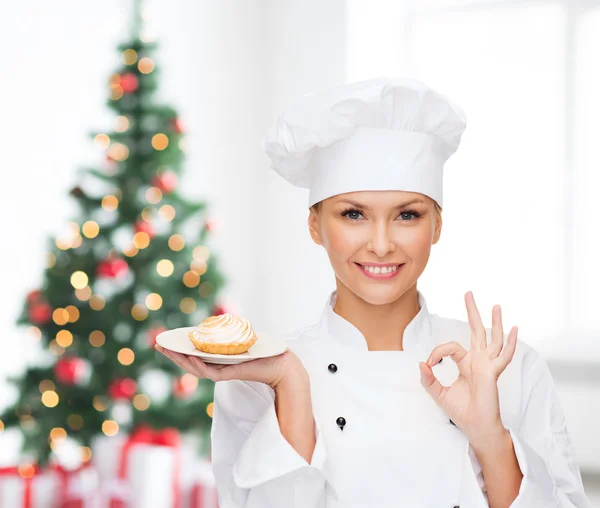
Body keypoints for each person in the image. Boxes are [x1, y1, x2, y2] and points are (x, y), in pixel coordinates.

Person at [156, 78, 590, 507]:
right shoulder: (258, 379)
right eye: (353, 214)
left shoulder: (510, 370)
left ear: (437, 225)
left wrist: (489, 437)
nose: (381, 244)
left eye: (407, 215)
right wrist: (291, 384)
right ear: (315, 225)